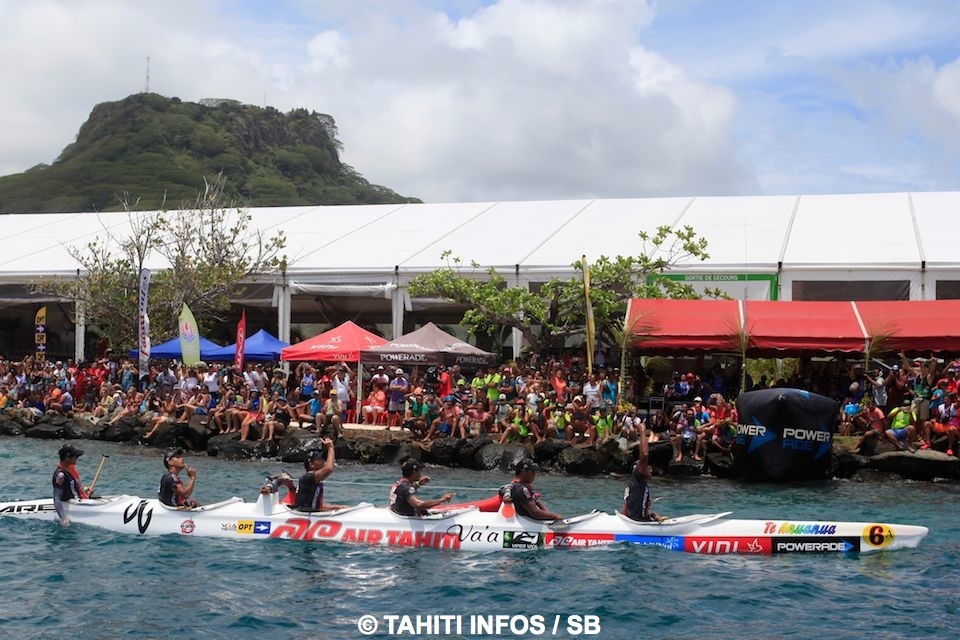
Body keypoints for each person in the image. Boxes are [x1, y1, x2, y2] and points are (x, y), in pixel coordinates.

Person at [622, 423, 666, 522]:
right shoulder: (638, 476)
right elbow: (644, 455)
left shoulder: (638, 483)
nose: (650, 469)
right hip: (636, 523)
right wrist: (642, 431)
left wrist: (652, 515)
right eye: (647, 466)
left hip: (636, 520)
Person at [294, 439, 347, 511]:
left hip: (310, 513)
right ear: (311, 464)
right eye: (319, 459)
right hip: (305, 515)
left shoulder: (315, 479)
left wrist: (339, 508)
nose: (323, 461)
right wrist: (330, 447)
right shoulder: (308, 477)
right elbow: (329, 469)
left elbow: (319, 506)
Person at [388, 459, 453, 516]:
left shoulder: (399, 483)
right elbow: (419, 505)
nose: (420, 473)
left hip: (398, 514)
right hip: (408, 520)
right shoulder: (407, 487)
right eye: (419, 471)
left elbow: (406, 492)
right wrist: (442, 499)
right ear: (414, 472)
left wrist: (419, 484)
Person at [52, 444, 88, 525]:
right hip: (70, 504)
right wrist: (63, 518)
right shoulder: (60, 475)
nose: (77, 458)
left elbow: (71, 488)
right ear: (67, 458)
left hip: (78, 501)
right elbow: (57, 498)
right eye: (76, 456)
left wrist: (85, 491)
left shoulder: (70, 470)